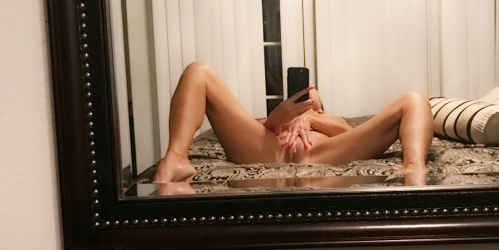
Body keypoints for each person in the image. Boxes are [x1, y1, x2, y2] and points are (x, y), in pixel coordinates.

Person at [153, 62, 433, 187]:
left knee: (414, 99)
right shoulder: (280, 116)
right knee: (197, 72)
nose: (307, 98)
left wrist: (310, 116)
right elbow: (255, 132)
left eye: (311, 96)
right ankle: (176, 158)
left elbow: (348, 133)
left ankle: (414, 166)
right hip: (269, 150)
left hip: (323, 155)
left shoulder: (329, 119)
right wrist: (276, 120)